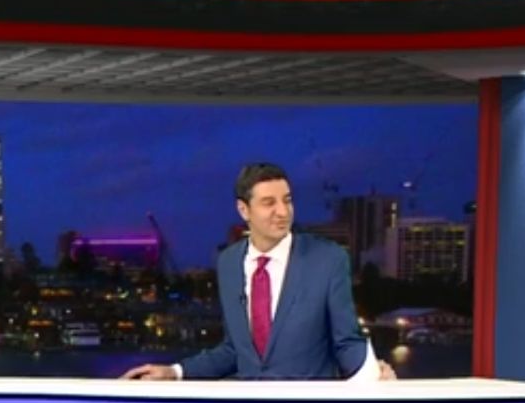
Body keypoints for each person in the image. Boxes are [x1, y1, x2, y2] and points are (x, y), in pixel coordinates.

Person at [122, 163, 392, 381]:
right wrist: (175, 372)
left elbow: (347, 342)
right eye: (269, 203)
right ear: (244, 210)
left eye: (287, 200)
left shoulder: (327, 259)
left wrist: (371, 373)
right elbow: (233, 350)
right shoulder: (229, 263)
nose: (282, 212)